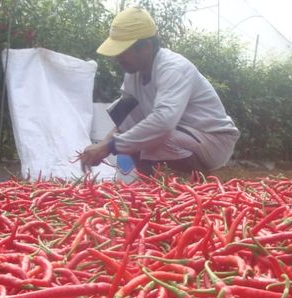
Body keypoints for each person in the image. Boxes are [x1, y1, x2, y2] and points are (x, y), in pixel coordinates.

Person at [81, 6, 240, 176]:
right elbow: (125, 122)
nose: (118, 57)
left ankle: (198, 187)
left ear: (146, 47)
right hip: (183, 135)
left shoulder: (173, 68)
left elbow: (163, 123)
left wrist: (109, 147)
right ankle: (155, 191)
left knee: (152, 136)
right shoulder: (133, 74)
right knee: (136, 134)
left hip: (214, 139)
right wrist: (102, 146)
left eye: (123, 51)